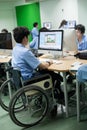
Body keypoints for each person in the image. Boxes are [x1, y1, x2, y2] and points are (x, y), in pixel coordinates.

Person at [12, 26, 63, 98]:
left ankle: (58, 88)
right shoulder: (25, 51)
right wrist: (49, 62)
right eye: (27, 37)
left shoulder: (15, 49)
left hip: (21, 78)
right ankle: (58, 94)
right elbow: (42, 66)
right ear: (24, 38)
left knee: (47, 72)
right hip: (29, 80)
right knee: (50, 73)